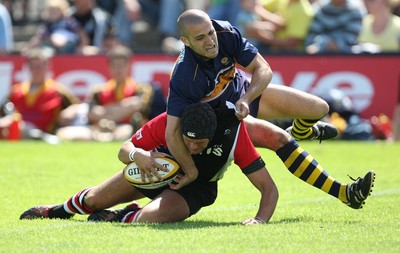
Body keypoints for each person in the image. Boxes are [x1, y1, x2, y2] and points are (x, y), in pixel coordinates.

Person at [20, 102, 279, 225]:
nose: (192, 147)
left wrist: (260, 219)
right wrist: (138, 156)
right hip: (153, 170)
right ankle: (55, 211)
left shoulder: (233, 136)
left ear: (211, 136)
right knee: (93, 201)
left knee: (148, 219)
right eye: (188, 141)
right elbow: (125, 149)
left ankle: (119, 215)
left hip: (195, 190)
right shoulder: (170, 121)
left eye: (199, 144)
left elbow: (269, 188)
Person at [165, 9, 340, 189]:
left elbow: (263, 69)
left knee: (319, 108)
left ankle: (301, 132)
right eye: (200, 38)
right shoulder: (183, 76)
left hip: (244, 94)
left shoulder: (225, 32)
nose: (210, 41)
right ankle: (344, 192)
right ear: (185, 41)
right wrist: (191, 170)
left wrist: (247, 99)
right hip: (223, 120)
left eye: (210, 33)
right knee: (279, 137)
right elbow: (172, 133)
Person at [56, 45, 166, 141]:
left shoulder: (141, 88)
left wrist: (104, 113)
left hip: (128, 129)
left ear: (129, 66)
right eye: (115, 65)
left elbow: (136, 107)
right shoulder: (98, 91)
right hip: (100, 130)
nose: (118, 70)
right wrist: (123, 108)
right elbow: (91, 114)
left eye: (122, 65)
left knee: (127, 132)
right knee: (64, 134)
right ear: (109, 67)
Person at [0, 48, 80, 143]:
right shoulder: (16, 91)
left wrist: (70, 111)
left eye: (39, 66)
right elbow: (4, 112)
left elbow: (77, 106)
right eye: (33, 66)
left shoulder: (57, 91)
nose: (36, 70)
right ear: (28, 67)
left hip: (48, 134)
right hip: (18, 132)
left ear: (47, 66)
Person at [236, 0, 314, 53]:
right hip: (271, 50)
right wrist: (270, 24)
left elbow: (292, 43)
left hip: (290, 56)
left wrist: (262, 36)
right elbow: (256, 5)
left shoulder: (303, 11)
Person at [23, 0, 87, 55]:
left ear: (62, 10)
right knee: (44, 50)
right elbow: (38, 37)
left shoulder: (69, 21)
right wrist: (28, 48)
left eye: (55, 10)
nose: (52, 13)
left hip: (70, 48)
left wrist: (82, 46)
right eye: (50, 11)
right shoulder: (48, 25)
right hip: (53, 49)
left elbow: (81, 33)